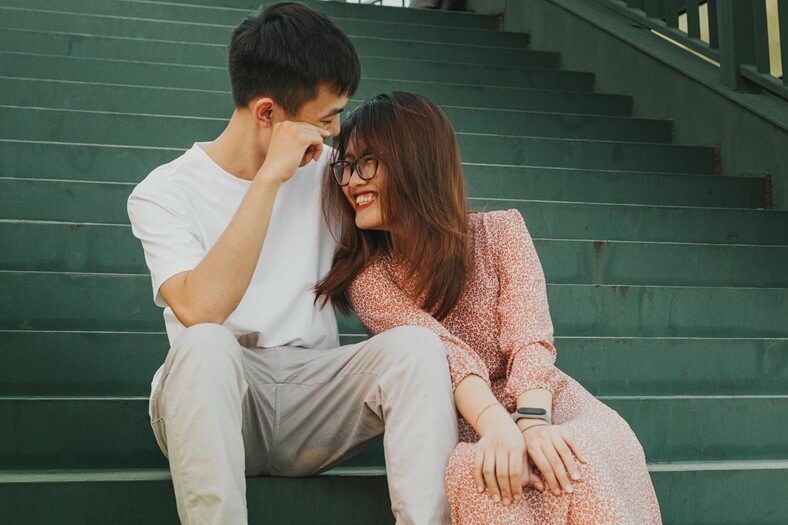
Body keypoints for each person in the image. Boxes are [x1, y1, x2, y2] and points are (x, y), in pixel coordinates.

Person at [127, 5, 457, 524]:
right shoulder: (164, 192)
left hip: (315, 398)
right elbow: (201, 308)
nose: (337, 131)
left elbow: (417, 218)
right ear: (267, 113)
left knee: (417, 348)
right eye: (326, 119)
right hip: (218, 400)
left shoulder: (331, 174)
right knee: (204, 342)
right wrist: (268, 180)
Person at [315, 92, 663, 524]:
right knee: (482, 473)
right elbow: (447, 354)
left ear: (416, 159)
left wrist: (532, 423)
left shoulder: (500, 231)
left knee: (576, 455)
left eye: (367, 162)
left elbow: (529, 336)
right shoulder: (368, 276)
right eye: (347, 165)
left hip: (542, 399)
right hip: (466, 420)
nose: (351, 181)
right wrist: (499, 428)